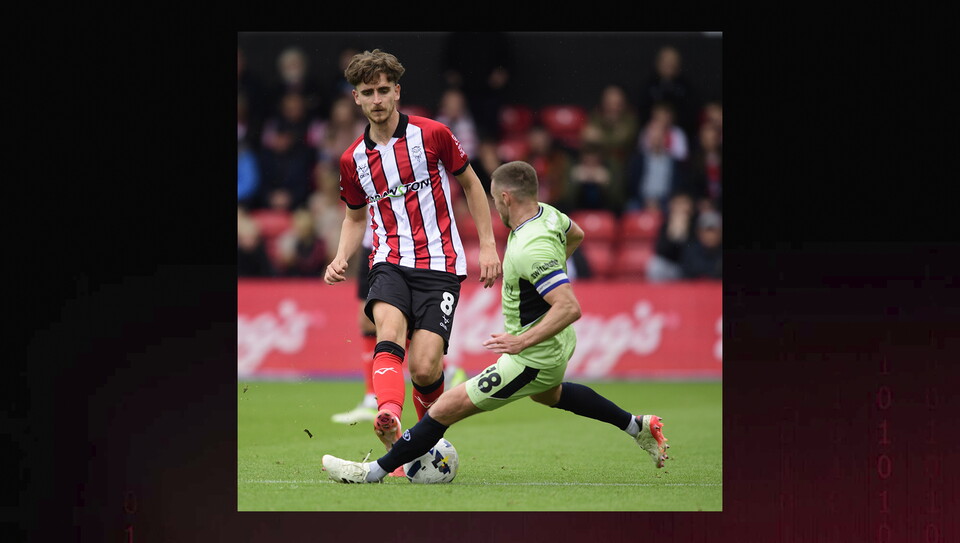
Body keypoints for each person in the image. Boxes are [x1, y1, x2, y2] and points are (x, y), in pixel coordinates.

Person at [322, 160, 670, 484]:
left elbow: (569, 307)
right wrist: (552, 272)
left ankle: (372, 472)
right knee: (551, 395)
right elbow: (576, 233)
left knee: (444, 408)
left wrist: (522, 341)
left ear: (505, 197)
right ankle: (636, 425)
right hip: (557, 346)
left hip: (531, 357)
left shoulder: (529, 249)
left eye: (493, 200)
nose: (494, 208)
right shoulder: (548, 215)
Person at [323, 50, 502, 460]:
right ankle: (388, 413)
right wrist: (341, 256)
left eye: (384, 90)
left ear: (397, 91)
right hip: (387, 260)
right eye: (368, 92)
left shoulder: (433, 134)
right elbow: (354, 218)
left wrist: (489, 245)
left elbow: (473, 186)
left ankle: (426, 442)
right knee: (387, 330)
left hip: (440, 264)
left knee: (424, 368)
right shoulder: (352, 159)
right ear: (356, 98)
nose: (377, 99)